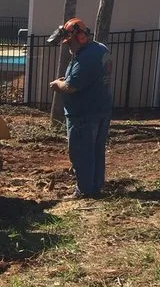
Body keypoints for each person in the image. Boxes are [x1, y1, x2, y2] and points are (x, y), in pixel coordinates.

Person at [48, 18, 112, 199]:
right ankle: (95, 185)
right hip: (101, 109)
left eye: (69, 42)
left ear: (80, 38)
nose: (68, 47)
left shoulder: (86, 57)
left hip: (83, 113)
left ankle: (84, 190)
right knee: (96, 150)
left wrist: (58, 84)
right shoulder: (100, 49)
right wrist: (68, 79)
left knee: (81, 152)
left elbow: (71, 87)